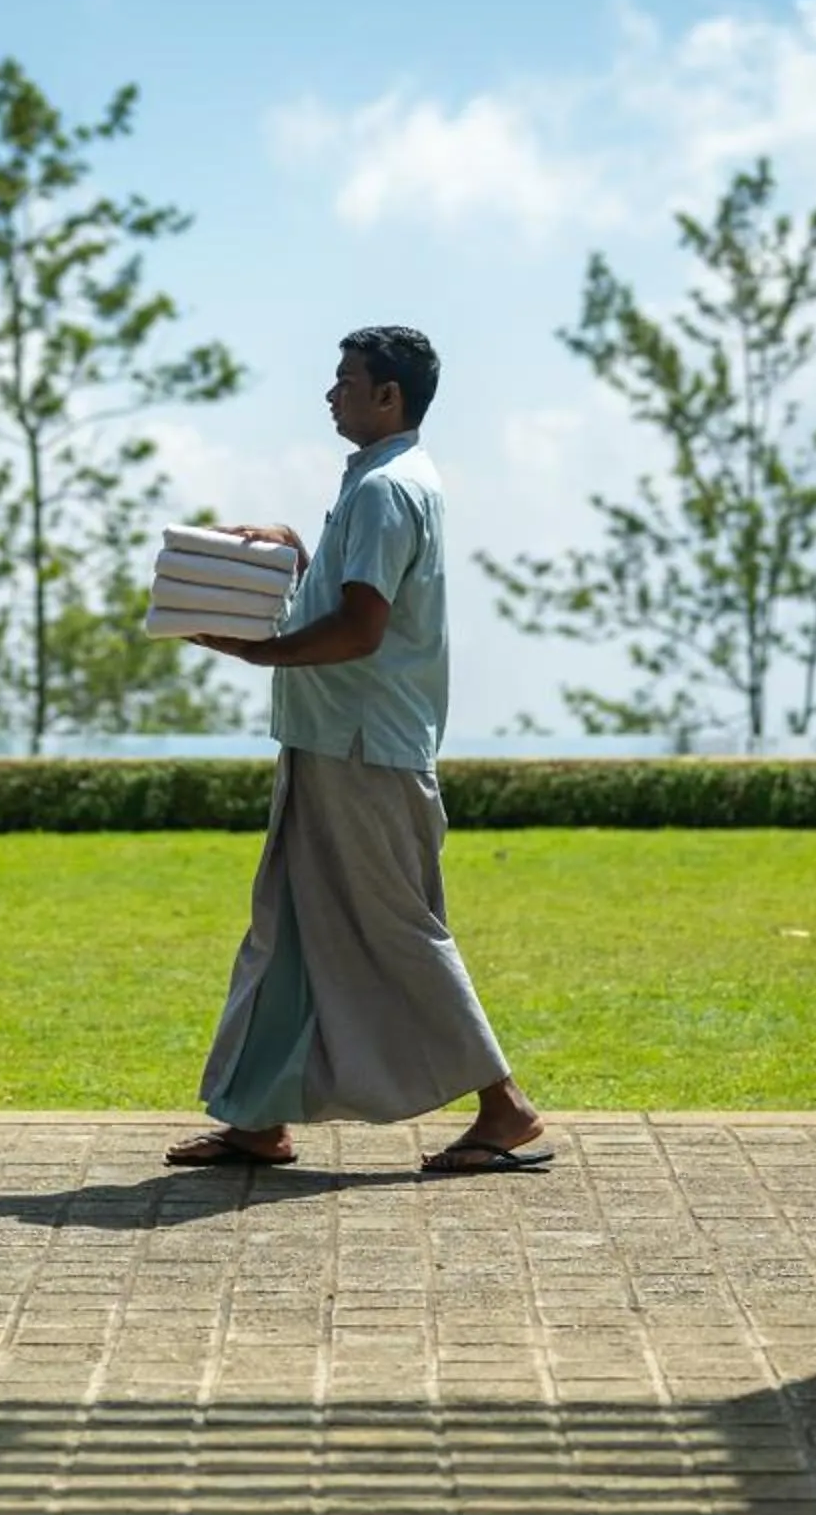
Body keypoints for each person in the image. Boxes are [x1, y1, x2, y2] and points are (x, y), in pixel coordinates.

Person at [165, 324, 550, 1179]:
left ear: (388, 395)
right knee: (287, 930)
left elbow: (361, 629)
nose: (331, 393)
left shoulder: (385, 490)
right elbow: (349, 597)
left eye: (345, 380)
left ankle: (505, 1107)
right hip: (334, 740)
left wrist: (256, 651)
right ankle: (257, 1119)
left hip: (362, 748)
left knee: (396, 931)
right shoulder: (381, 481)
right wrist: (295, 549)